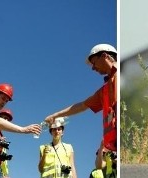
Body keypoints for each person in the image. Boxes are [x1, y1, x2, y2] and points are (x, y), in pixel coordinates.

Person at [44, 44, 117, 176]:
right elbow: (82, 105)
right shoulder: (105, 89)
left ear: (105, 56)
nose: (93, 68)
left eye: (94, 63)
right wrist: (56, 115)